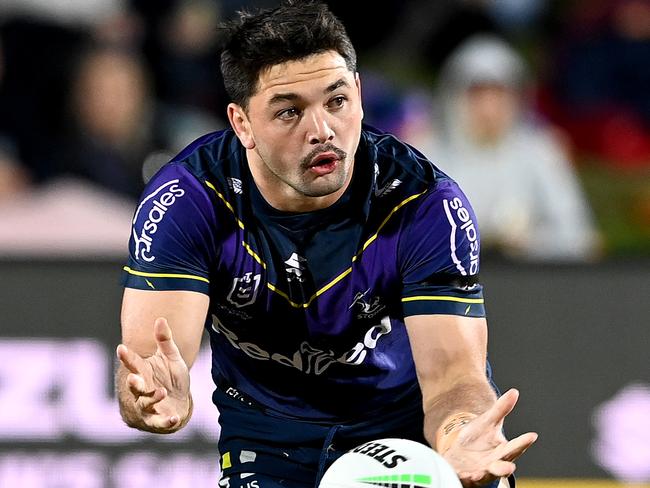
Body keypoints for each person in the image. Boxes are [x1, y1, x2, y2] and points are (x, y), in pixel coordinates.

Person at [115, 2, 537, 487]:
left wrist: (461, 435)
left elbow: (453, 379)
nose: (321, 131)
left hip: (406, 429)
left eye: (336, 101)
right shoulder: (188, 202)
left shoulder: (423, 203)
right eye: (289, 111)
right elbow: (149, 366)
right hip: (268, 434)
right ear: (242, 123)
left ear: (358, 94)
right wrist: (150, 400)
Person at [424, 35, 599, 261]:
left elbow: (579, 235)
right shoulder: (426, 155)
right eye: (476, 96)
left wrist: (531, 242)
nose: (488, 110)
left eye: (498, 96)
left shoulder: (541, 151)